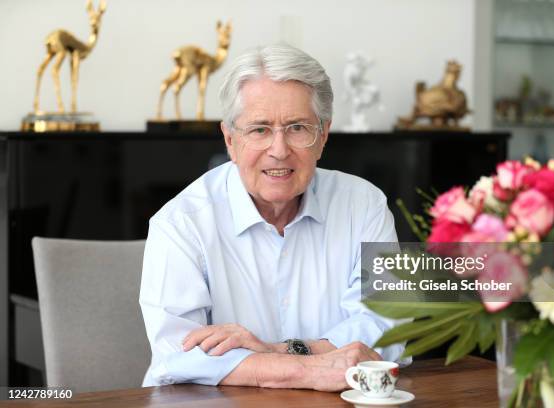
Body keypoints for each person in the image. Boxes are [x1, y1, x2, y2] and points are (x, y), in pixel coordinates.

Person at [139, 44, 405, 392]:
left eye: (297, 128)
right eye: (260, 129)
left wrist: (276, 352)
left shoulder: (366, 203)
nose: (279, 150)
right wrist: (309, 370)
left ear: (323, 135)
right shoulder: (180, 223)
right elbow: (178, 355)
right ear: (230, 139)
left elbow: (391, 326)